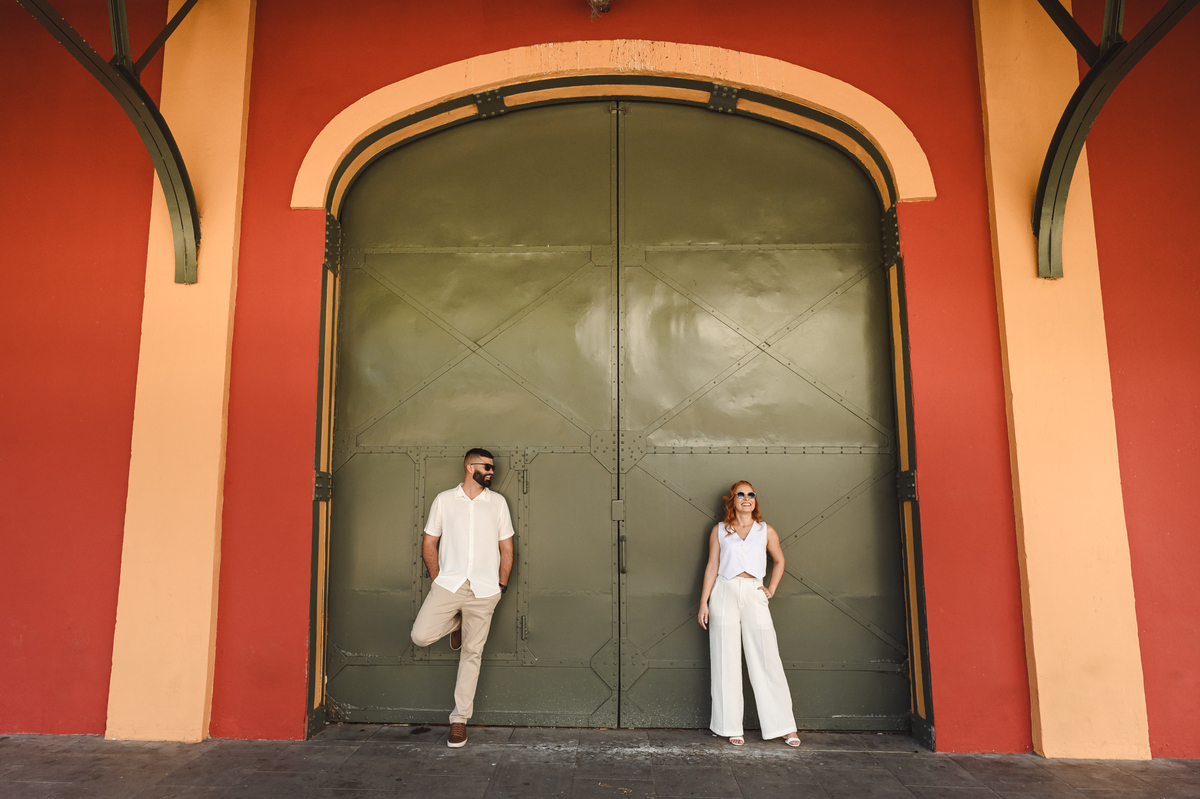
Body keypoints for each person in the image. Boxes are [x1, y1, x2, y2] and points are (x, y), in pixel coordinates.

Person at [410, 448, 514, 748]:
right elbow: (429, 542)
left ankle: (459, 720)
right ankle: (457, 623)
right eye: (487, 467)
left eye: (492, 467)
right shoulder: (444, 500)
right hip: (449, 584)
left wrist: (501, 586)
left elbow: (506, 547)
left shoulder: (497, 503)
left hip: (484, 590)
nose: (492, 471)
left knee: (472, 654)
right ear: (470, 467)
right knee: (420, 636)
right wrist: (438, 577)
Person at [698, 481, 800, 747]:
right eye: (741, 494)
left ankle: (785, 726)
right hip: (724, 591)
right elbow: (712, 566)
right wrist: (704, 602)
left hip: (754, 591)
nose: (746, 498)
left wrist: (771, 589)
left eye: (751, 494)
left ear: (755, 500)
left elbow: (779, 561)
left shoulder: (766, 531)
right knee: (725, 658)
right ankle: (729, 725)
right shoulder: (720, 530)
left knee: (767, 658)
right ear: (733, 500)